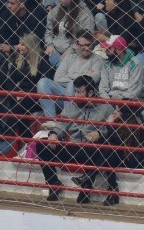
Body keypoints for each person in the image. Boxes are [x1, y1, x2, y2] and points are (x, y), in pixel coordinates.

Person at [36, 74, 114, 202]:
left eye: (80, 92)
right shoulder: (71, 105)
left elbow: (114, 129)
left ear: (91, 92)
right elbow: (62, 125)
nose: (77, 95)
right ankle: (53, 183)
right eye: (76, 91)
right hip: (73, 146)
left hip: (91, 149)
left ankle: (86, 187)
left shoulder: (105, 107)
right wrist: (54, 134)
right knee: (41, 144)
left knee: (102, 147)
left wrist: (99, 133)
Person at [36, 32, 104, 119]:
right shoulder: (69, 58)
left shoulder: (97, 60)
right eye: (83, 45)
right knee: (43, 82)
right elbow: (57, 79)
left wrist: (70, 76)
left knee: (73, 85)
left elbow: (92, 80)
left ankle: (67, 121)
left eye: (88, 45)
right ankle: (50, 121)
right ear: (77, 44)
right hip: (62, 96)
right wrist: (81, 76)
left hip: (82, 99)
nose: (86, 48)